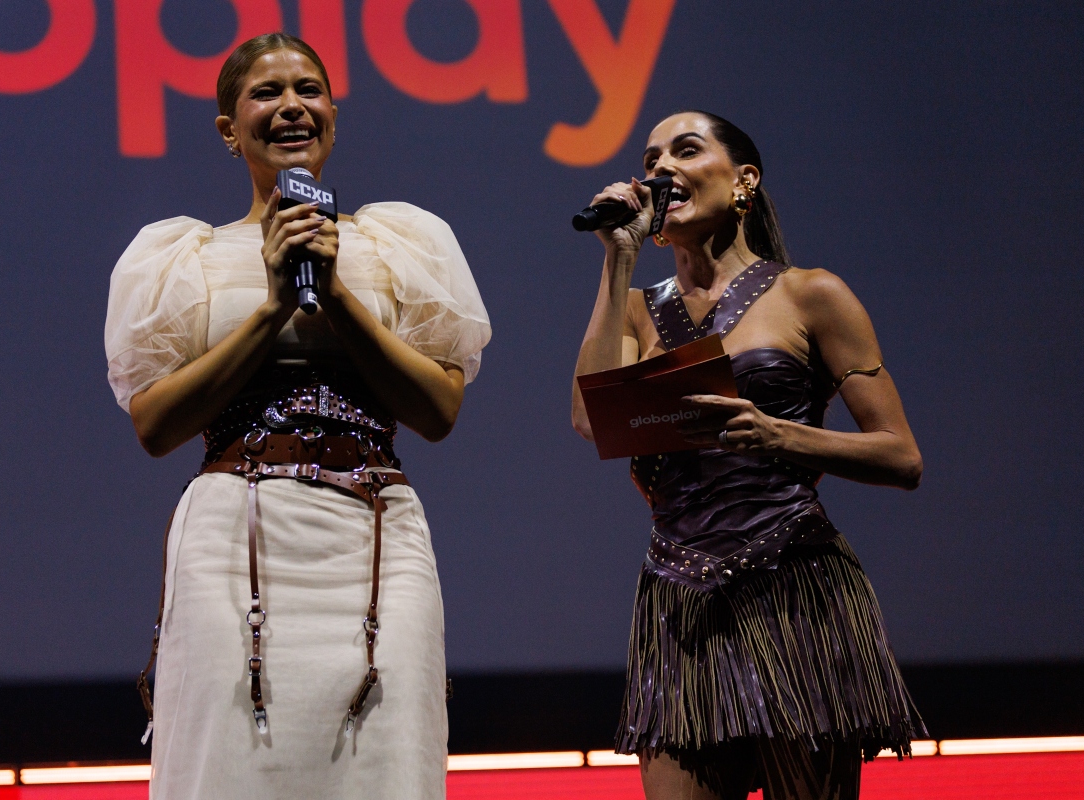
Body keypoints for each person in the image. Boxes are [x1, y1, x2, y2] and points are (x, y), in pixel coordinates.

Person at [104, 33, 490, 799]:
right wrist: (274, 305)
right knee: (232, 761)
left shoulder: (397, 245)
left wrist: (337, 294)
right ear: (227, 128)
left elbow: (439, 410)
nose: (291, 107)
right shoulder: (184, 257)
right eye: (266, 93)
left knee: (384, 758)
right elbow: (155, 427)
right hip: (233, 537)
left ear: (333, 119)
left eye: (308, 90)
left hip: (375, 533)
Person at [571, 111, 925, 800]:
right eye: (651, 155)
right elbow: (590, 418)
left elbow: (901, 456)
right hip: (680, 601)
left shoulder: (810, 294)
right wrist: (618, 258)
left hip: (792, 586)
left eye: (687, 148)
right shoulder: (640, 309)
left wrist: (777, 434)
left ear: (744, 181)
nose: (662, 165)